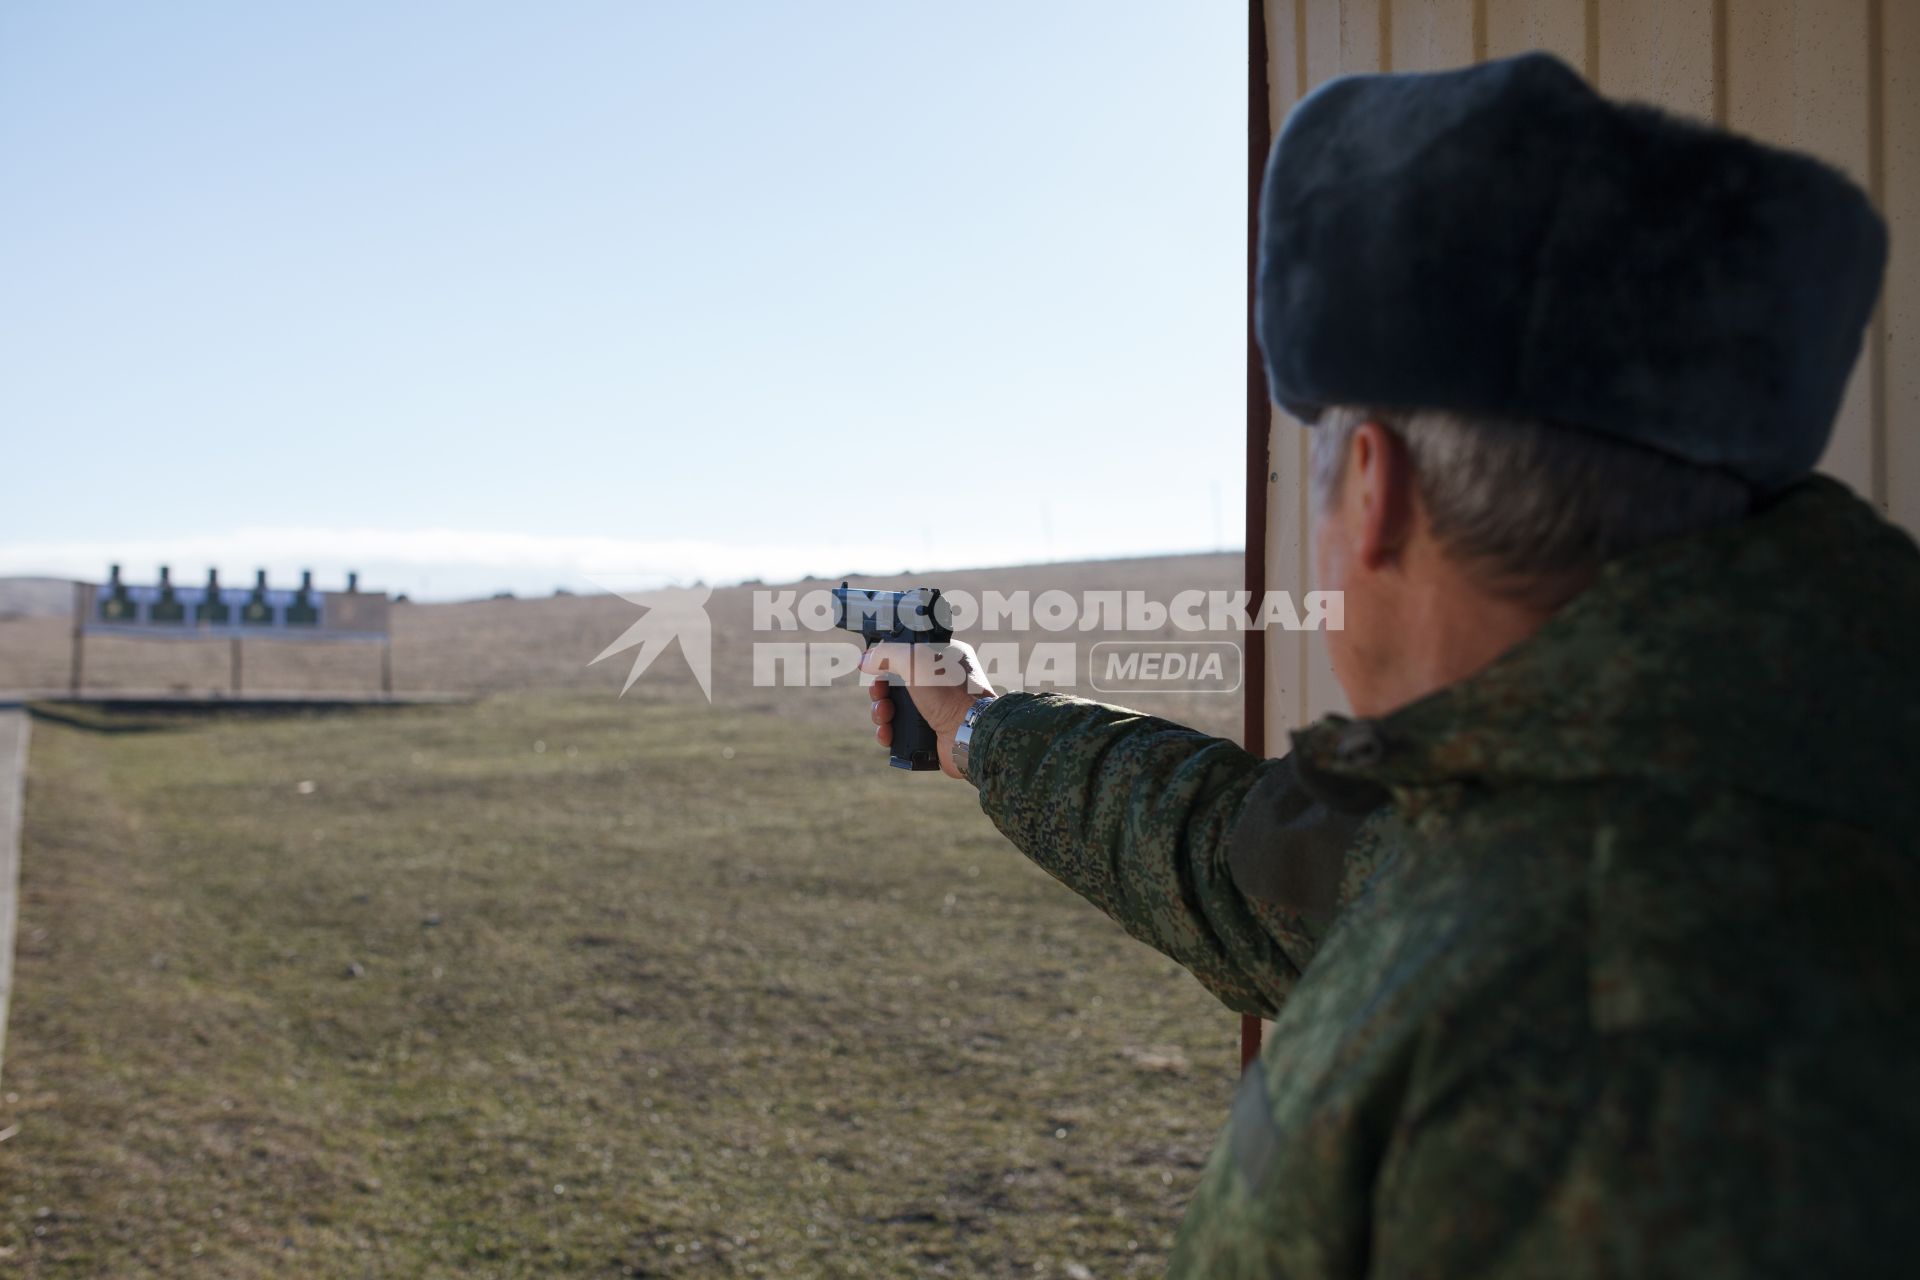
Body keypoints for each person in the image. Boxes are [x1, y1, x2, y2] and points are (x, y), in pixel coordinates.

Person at [857, 53, 1919, 1278]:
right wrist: (976, 721)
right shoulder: (1644, 780)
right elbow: (1232, 861)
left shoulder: (1591, 1030)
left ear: (1374, 490)